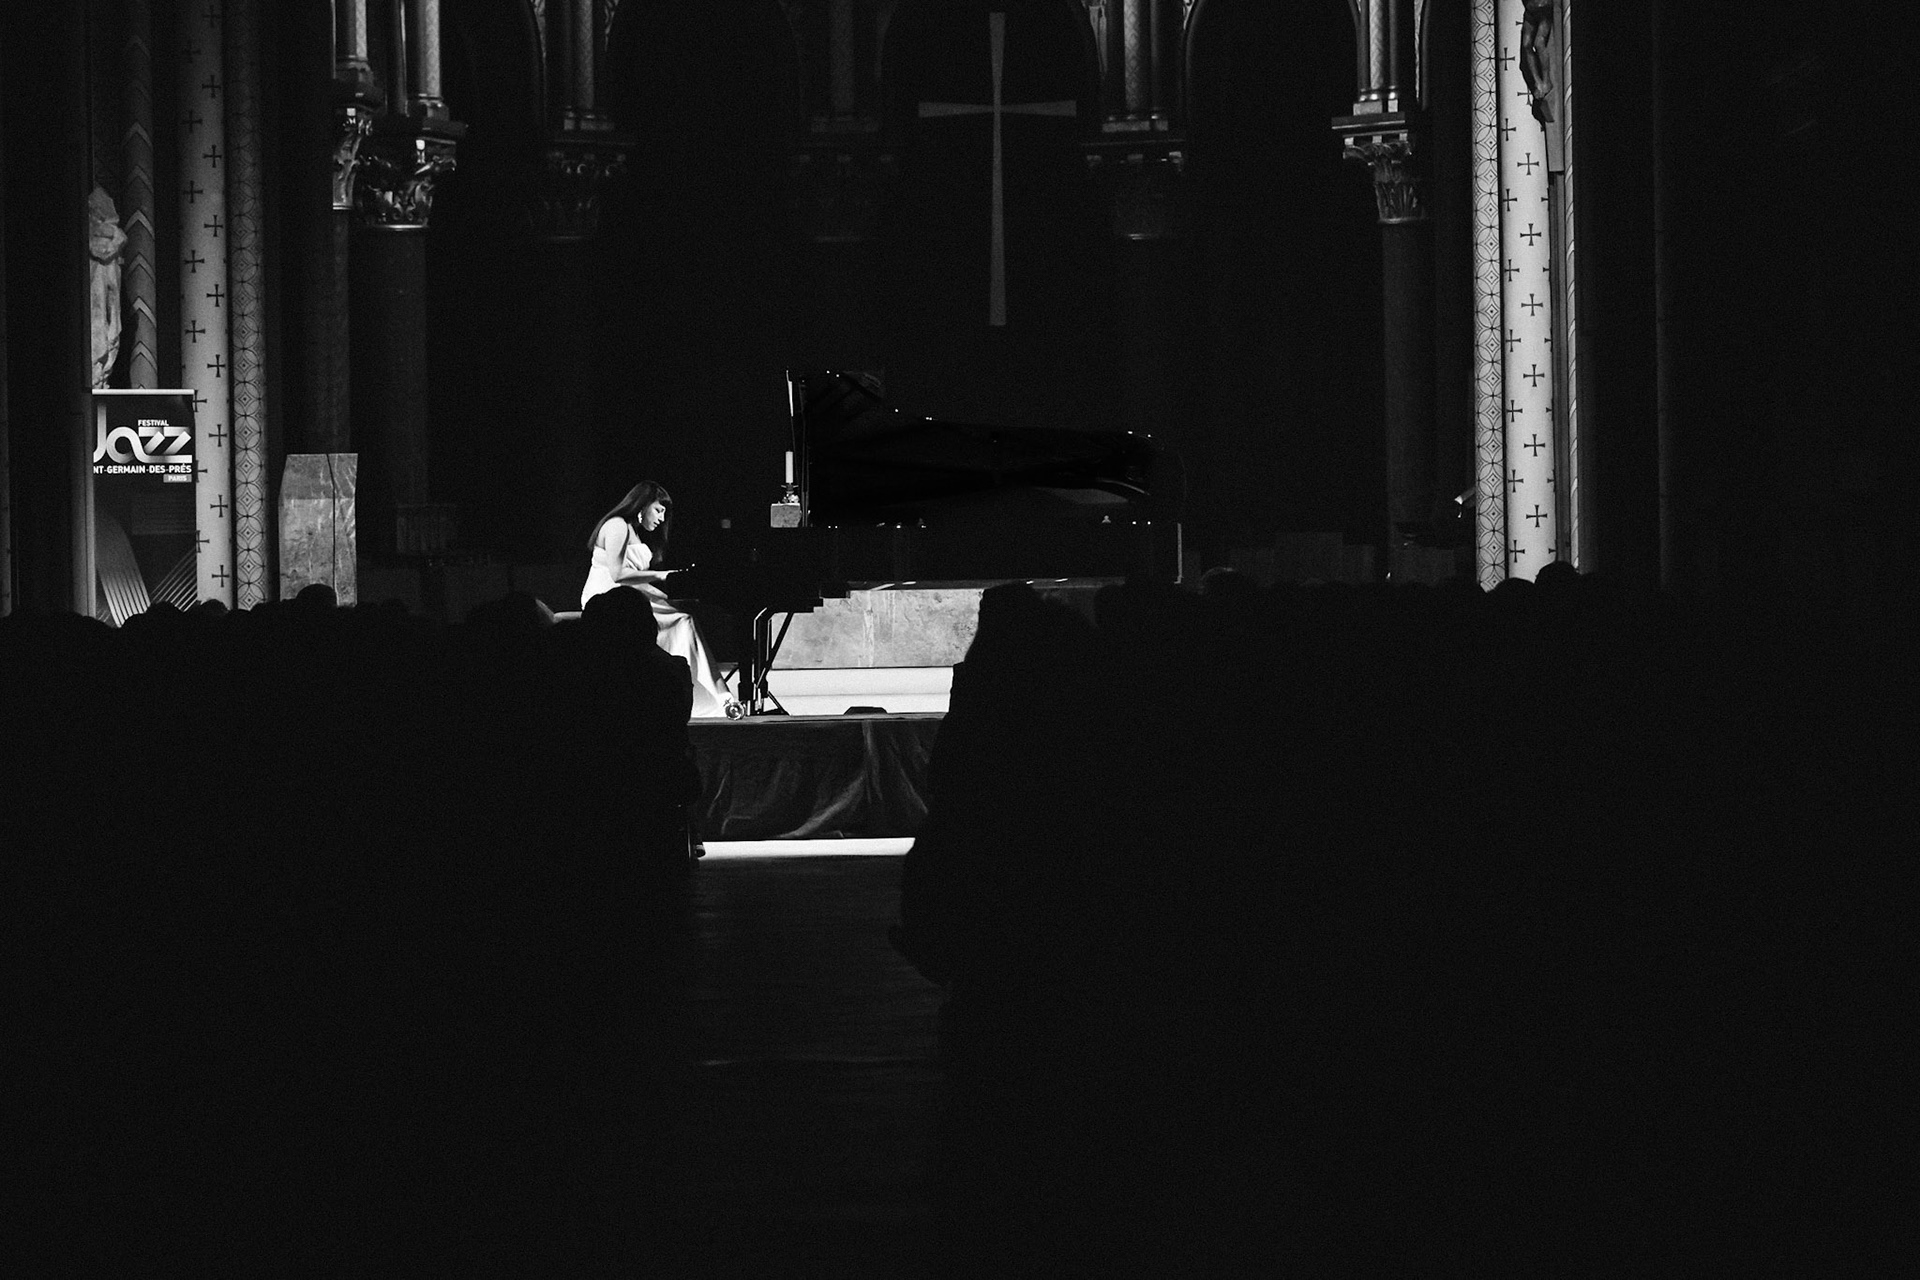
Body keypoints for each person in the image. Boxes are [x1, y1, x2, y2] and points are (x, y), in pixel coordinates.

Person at [581, 480, 740, 718]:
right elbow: (618, 574)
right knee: (683, 622)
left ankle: (707, 695)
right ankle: (713, 698)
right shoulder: (617, 525)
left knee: (684, 616)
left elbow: (637, 583)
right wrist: (662, 575)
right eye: (658, 510)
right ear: (642, 505)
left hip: (629, 597)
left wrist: (669, 599)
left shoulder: (633, 531)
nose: (662, 518)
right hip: (606, 599)